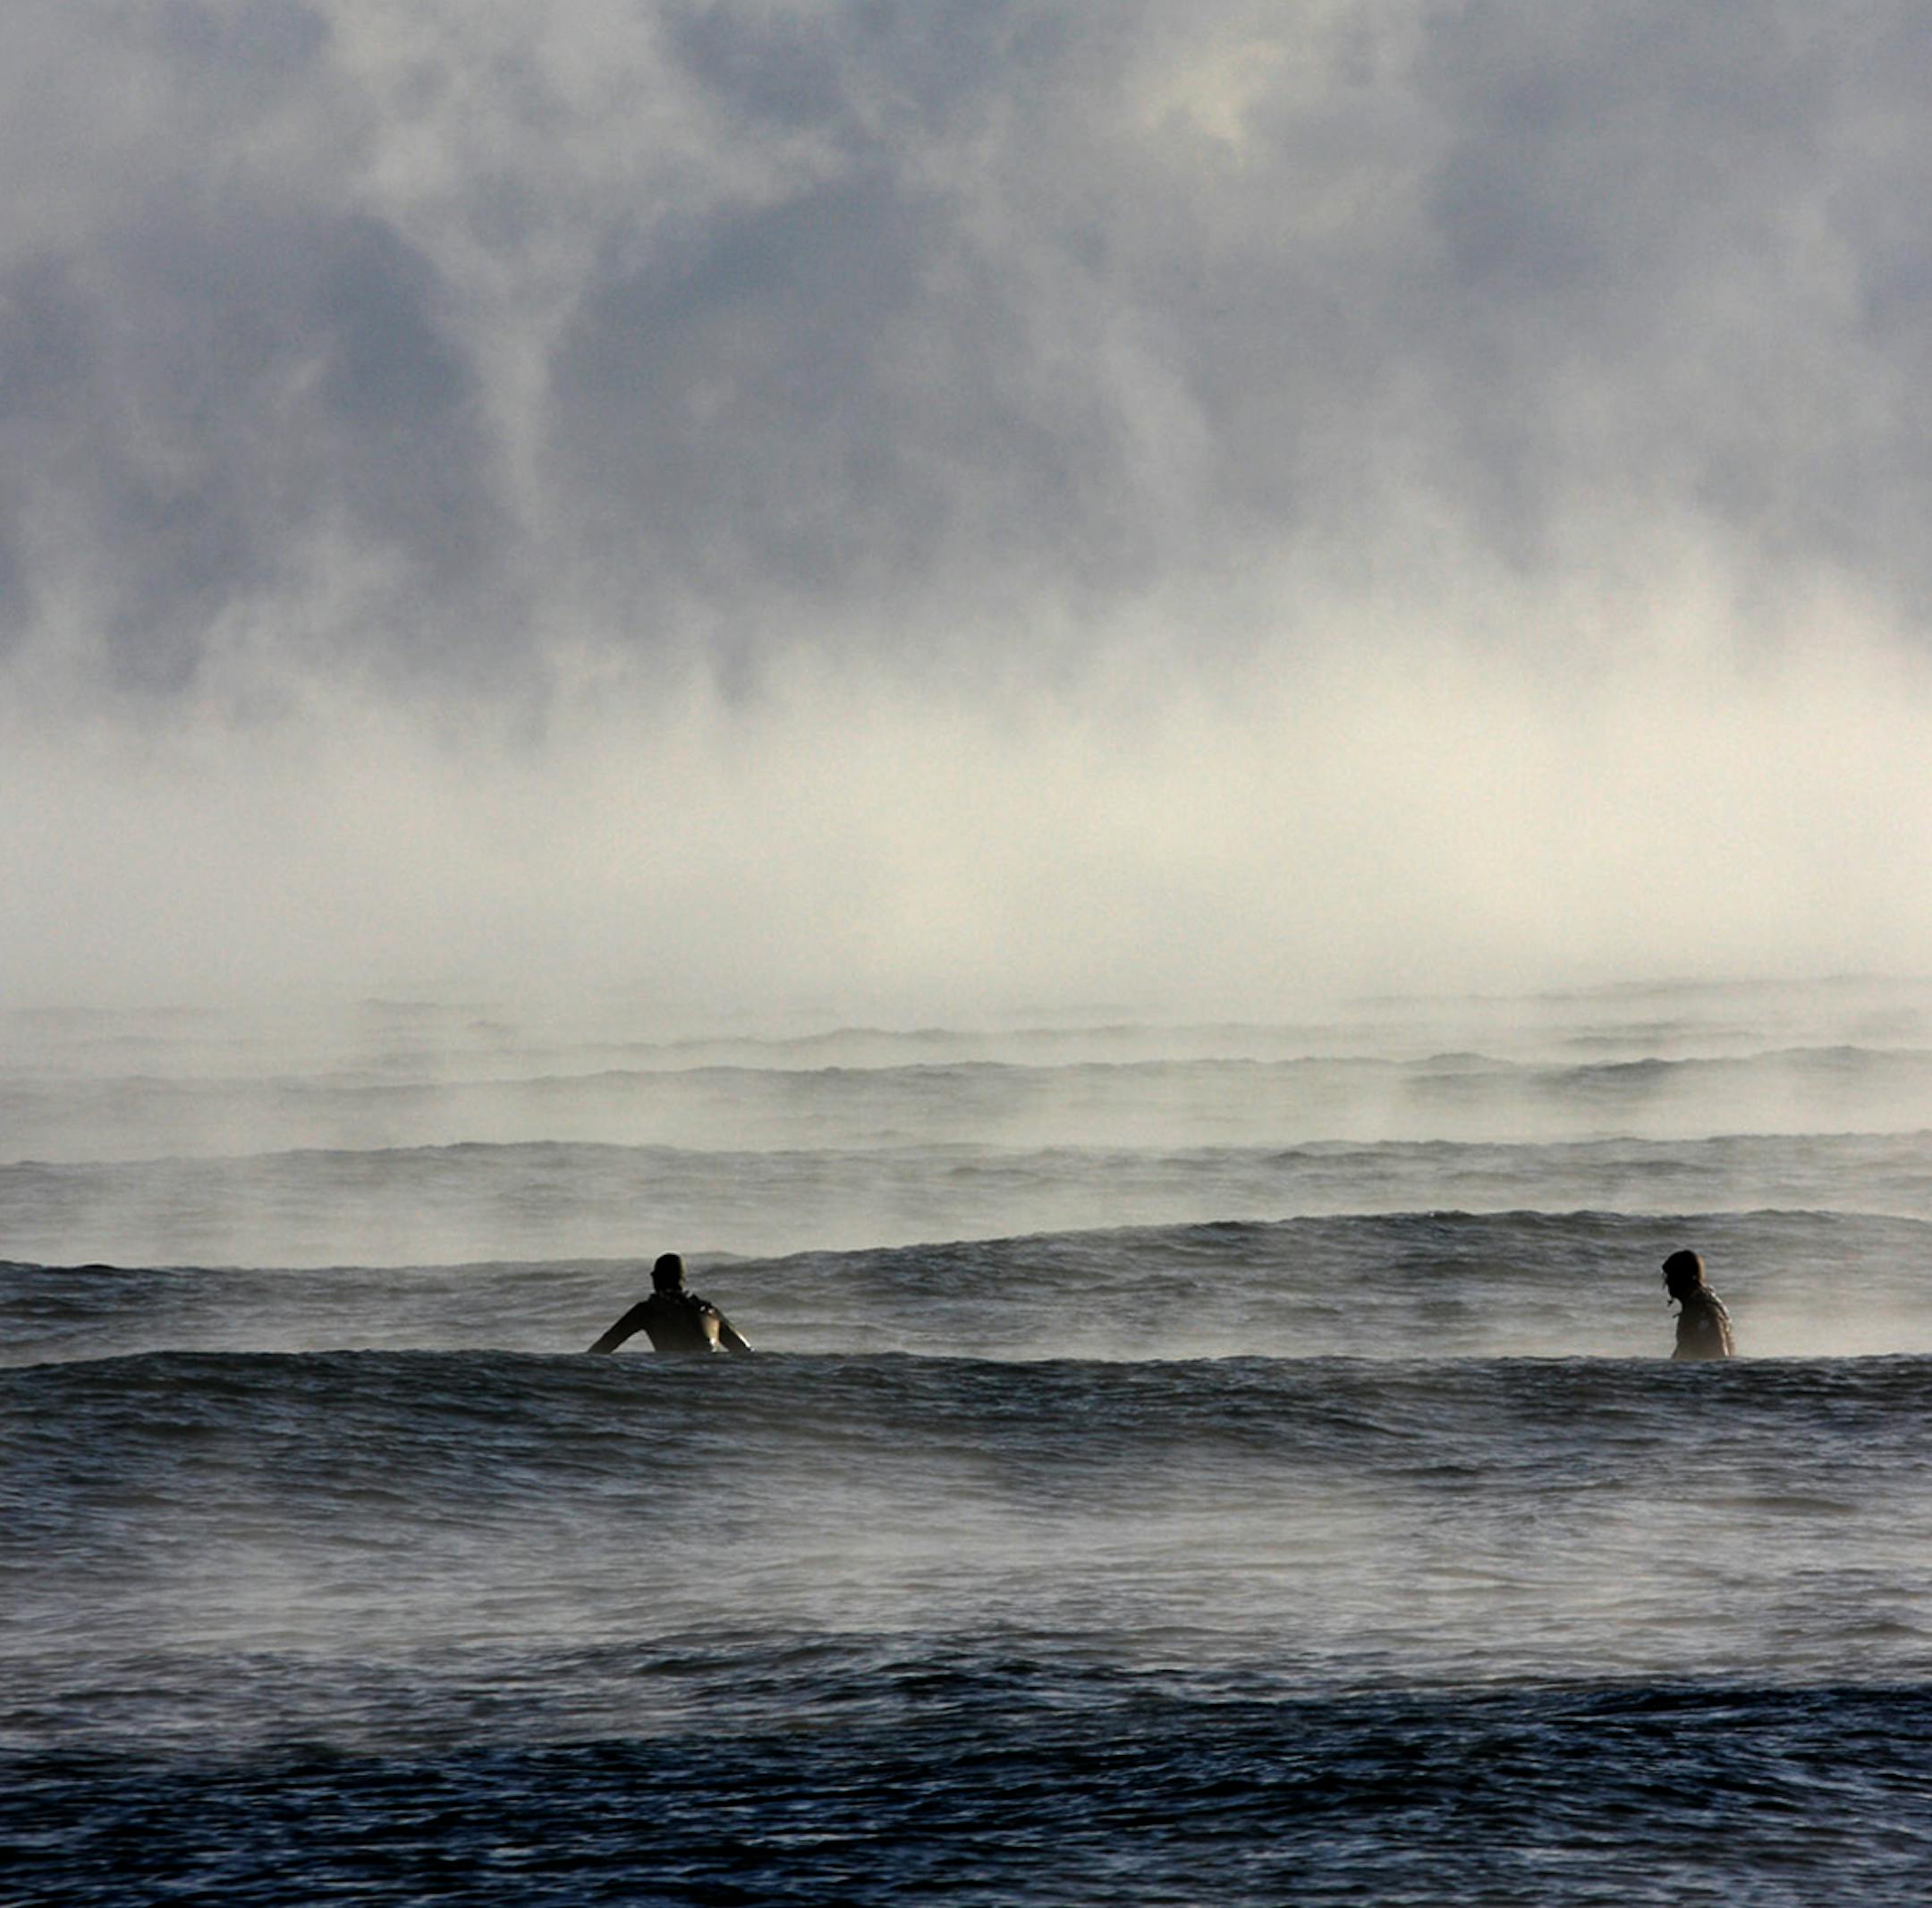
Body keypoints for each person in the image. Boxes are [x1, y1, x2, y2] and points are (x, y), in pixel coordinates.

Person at [588, 1252, 751, 1355]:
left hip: (676, 1377)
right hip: (711, 1377)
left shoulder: (649, 1309)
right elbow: (746, 1352)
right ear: (683, 1280)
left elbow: (603, 1347)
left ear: (655, 1277)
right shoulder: (709, 1311)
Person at [1661, 1249, 1733, 1360]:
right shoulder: (1693, 1308)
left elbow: (1720, 1357)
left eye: (1673, 1276)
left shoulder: (1705, 1311)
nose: (1668, 1282)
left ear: (1688, 1277)